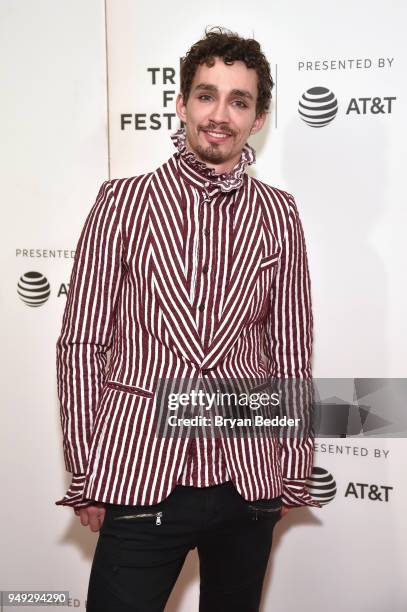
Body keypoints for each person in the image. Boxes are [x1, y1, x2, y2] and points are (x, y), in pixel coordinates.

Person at [55, 26, 321, 612]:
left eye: (239, 100)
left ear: (258, 118)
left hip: (247, 479)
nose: (219, 114)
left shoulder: (279, 213)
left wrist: (293, 463)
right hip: (139, 472)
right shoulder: (120, 202)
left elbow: (291, 350)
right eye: (207, 95)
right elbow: (82, 345)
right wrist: (87, 469)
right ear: (181, 104)